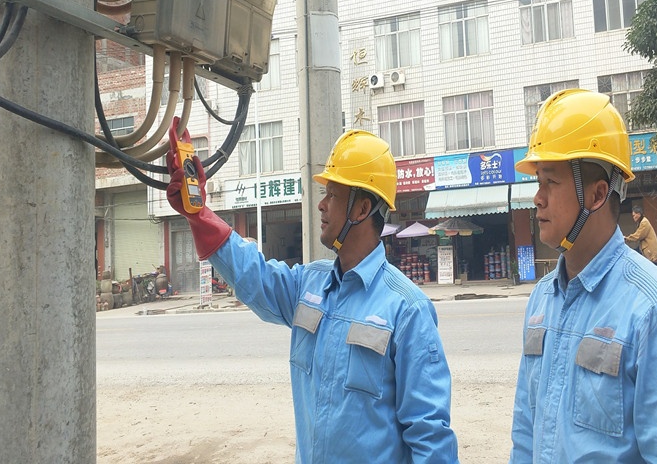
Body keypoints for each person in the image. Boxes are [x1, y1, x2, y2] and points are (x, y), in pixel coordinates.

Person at [167, 128, 459, 463]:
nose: (320, 205)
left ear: (361, 209)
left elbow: (430, 435)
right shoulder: (309, 285)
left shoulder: (407, 309)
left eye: (332, 195)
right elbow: (255, 275)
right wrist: (199, 213)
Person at [509, 89, 657, 463]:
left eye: (550, 182)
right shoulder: (542, 299)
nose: (537, 198)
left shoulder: (656, 312)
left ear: (597, 194)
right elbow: (527, 432)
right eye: (537, 182)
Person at [624, 204, 657, 269]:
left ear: (638, 214)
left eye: (634, 215)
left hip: (649, 249)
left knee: (647, 267)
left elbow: (638, 236)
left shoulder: (644, 222)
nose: (633, 217)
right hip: (644, 248)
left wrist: (626, 238)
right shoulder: (641, 222)